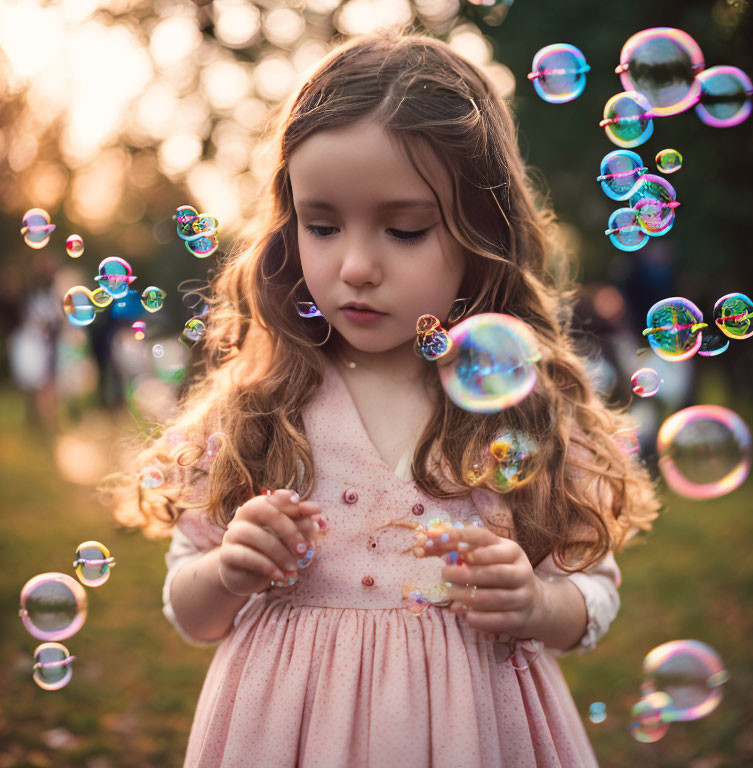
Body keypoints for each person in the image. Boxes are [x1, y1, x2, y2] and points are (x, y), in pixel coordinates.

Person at [108, 30, 659, 768]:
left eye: (404, 229)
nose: (357, 266)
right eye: (322, 224)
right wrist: (227, 570)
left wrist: (537, 606)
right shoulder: (261, 407)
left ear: (480, 231)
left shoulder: (521, 407)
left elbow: (591, 592)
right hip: (287, 734)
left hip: (475, 732)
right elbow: (189, 606)